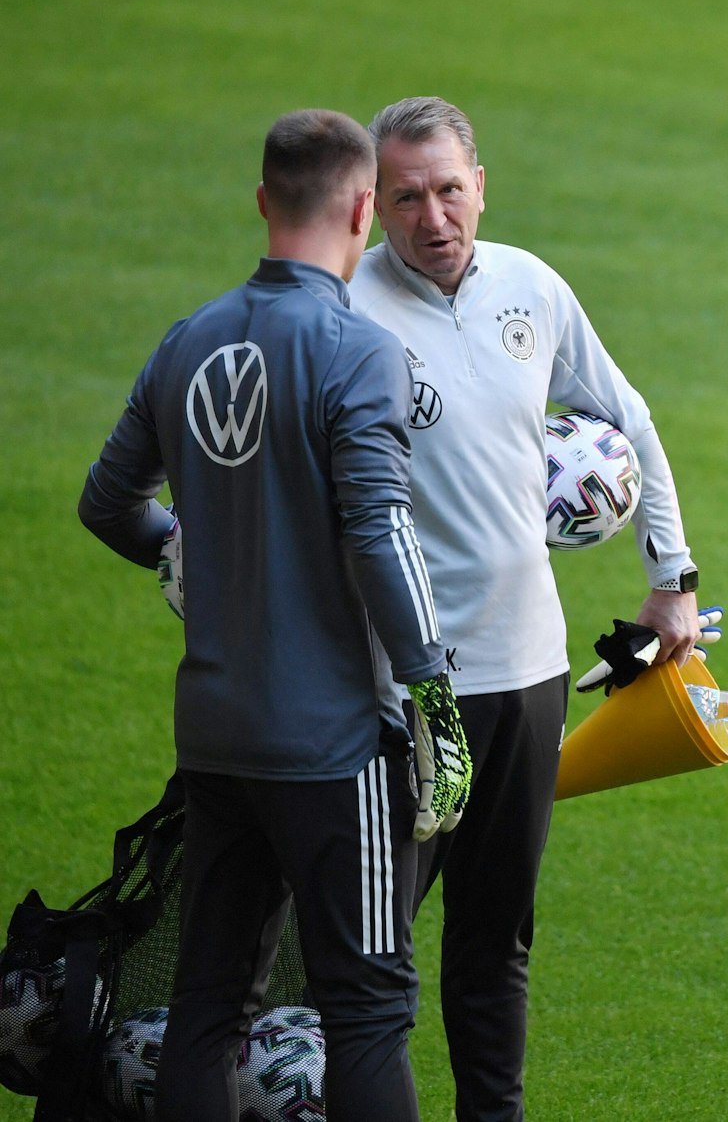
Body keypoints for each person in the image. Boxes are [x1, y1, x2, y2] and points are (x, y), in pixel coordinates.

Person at [78, 109, 464, 1118]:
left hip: (216, 737)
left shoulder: (188, 340)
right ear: (363, 209)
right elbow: (381, 531)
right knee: (368, 1011)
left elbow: (106, 503)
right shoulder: (358, 349)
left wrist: (189, 551)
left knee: (208, 1005)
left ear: (263, 201)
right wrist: (433, 690)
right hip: (333, 745)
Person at [351, 95, 701, 1121]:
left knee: (497, 940)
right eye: (406, 198)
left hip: (528, 675)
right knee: (367, 951)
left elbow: (626, 417)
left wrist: (672, 578)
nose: (433, 218)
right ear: (372, 204)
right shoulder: (346, 311)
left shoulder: (532, 287)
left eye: (448, 191)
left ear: (480, 187)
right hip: (401, 690)